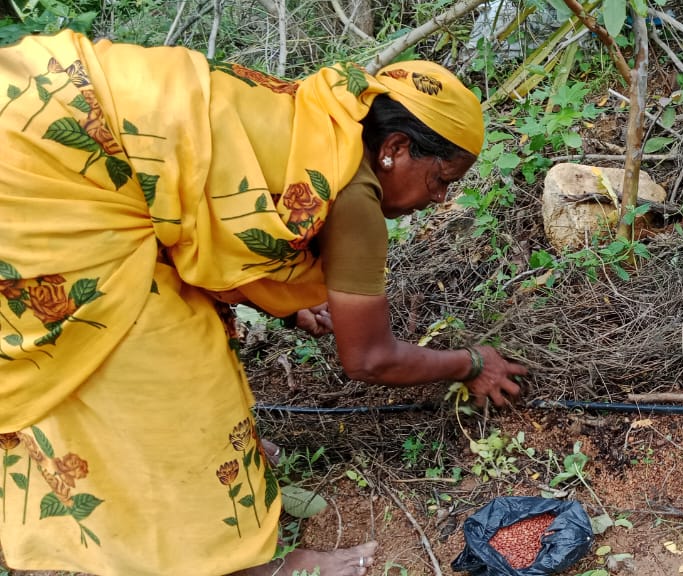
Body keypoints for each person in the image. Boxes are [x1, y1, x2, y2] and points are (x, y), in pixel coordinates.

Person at [0, 29, 526, 576]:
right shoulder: (353, 194)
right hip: (42, 168)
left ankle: (219, 463)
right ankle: (241, 561)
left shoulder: (322, 117)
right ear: (394, 149)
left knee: (167, 321)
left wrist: (285, 304)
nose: (440, 199)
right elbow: (369, 358)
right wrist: (472, 363)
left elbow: (201, 212)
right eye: (441, 179)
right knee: (169, 365)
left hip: (36, 92)